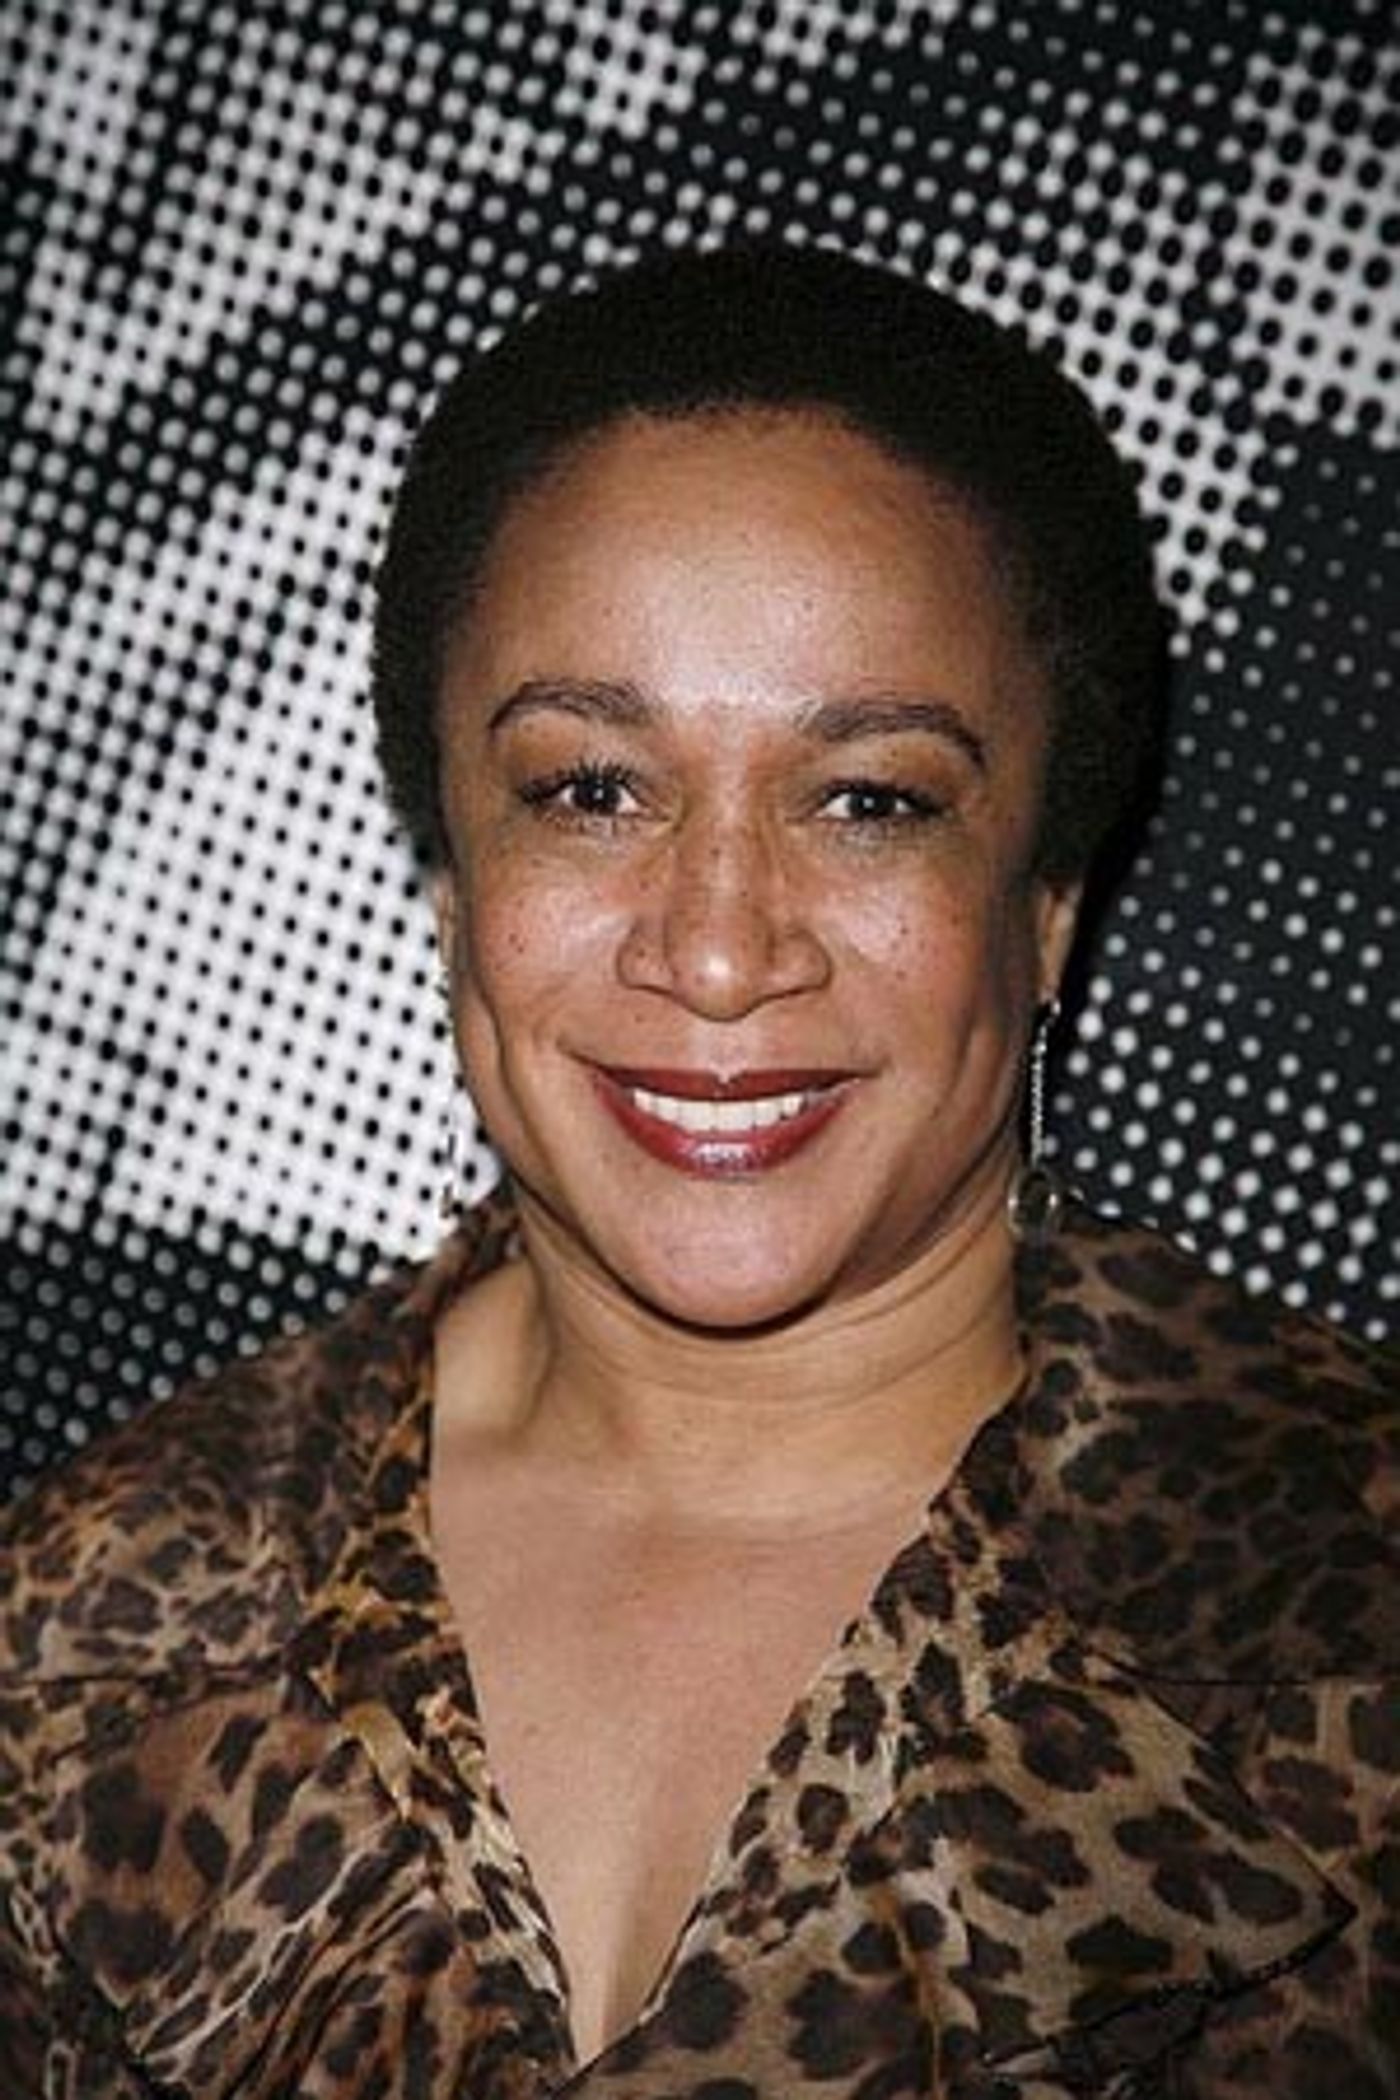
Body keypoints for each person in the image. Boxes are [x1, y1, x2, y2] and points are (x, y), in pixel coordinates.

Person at [1, 244, 1396, 2099]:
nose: (722, 951)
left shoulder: (1349, 1597)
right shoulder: (88, 1612)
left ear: (1046, 905)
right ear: (452, 880)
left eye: (871, 800)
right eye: (591, 789)